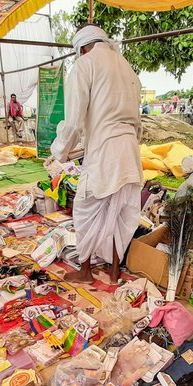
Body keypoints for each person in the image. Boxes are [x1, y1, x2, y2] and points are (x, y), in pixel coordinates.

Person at [49, 25, 144, 284]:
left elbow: (74, 122)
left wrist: (59, 151)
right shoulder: (127, 67)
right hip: (130, 153)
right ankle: (114, 272)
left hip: (104, 152)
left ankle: (85, 271)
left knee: (85, 211)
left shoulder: (85, 65)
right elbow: (137, 121)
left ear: (82, 48)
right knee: (120, 214)